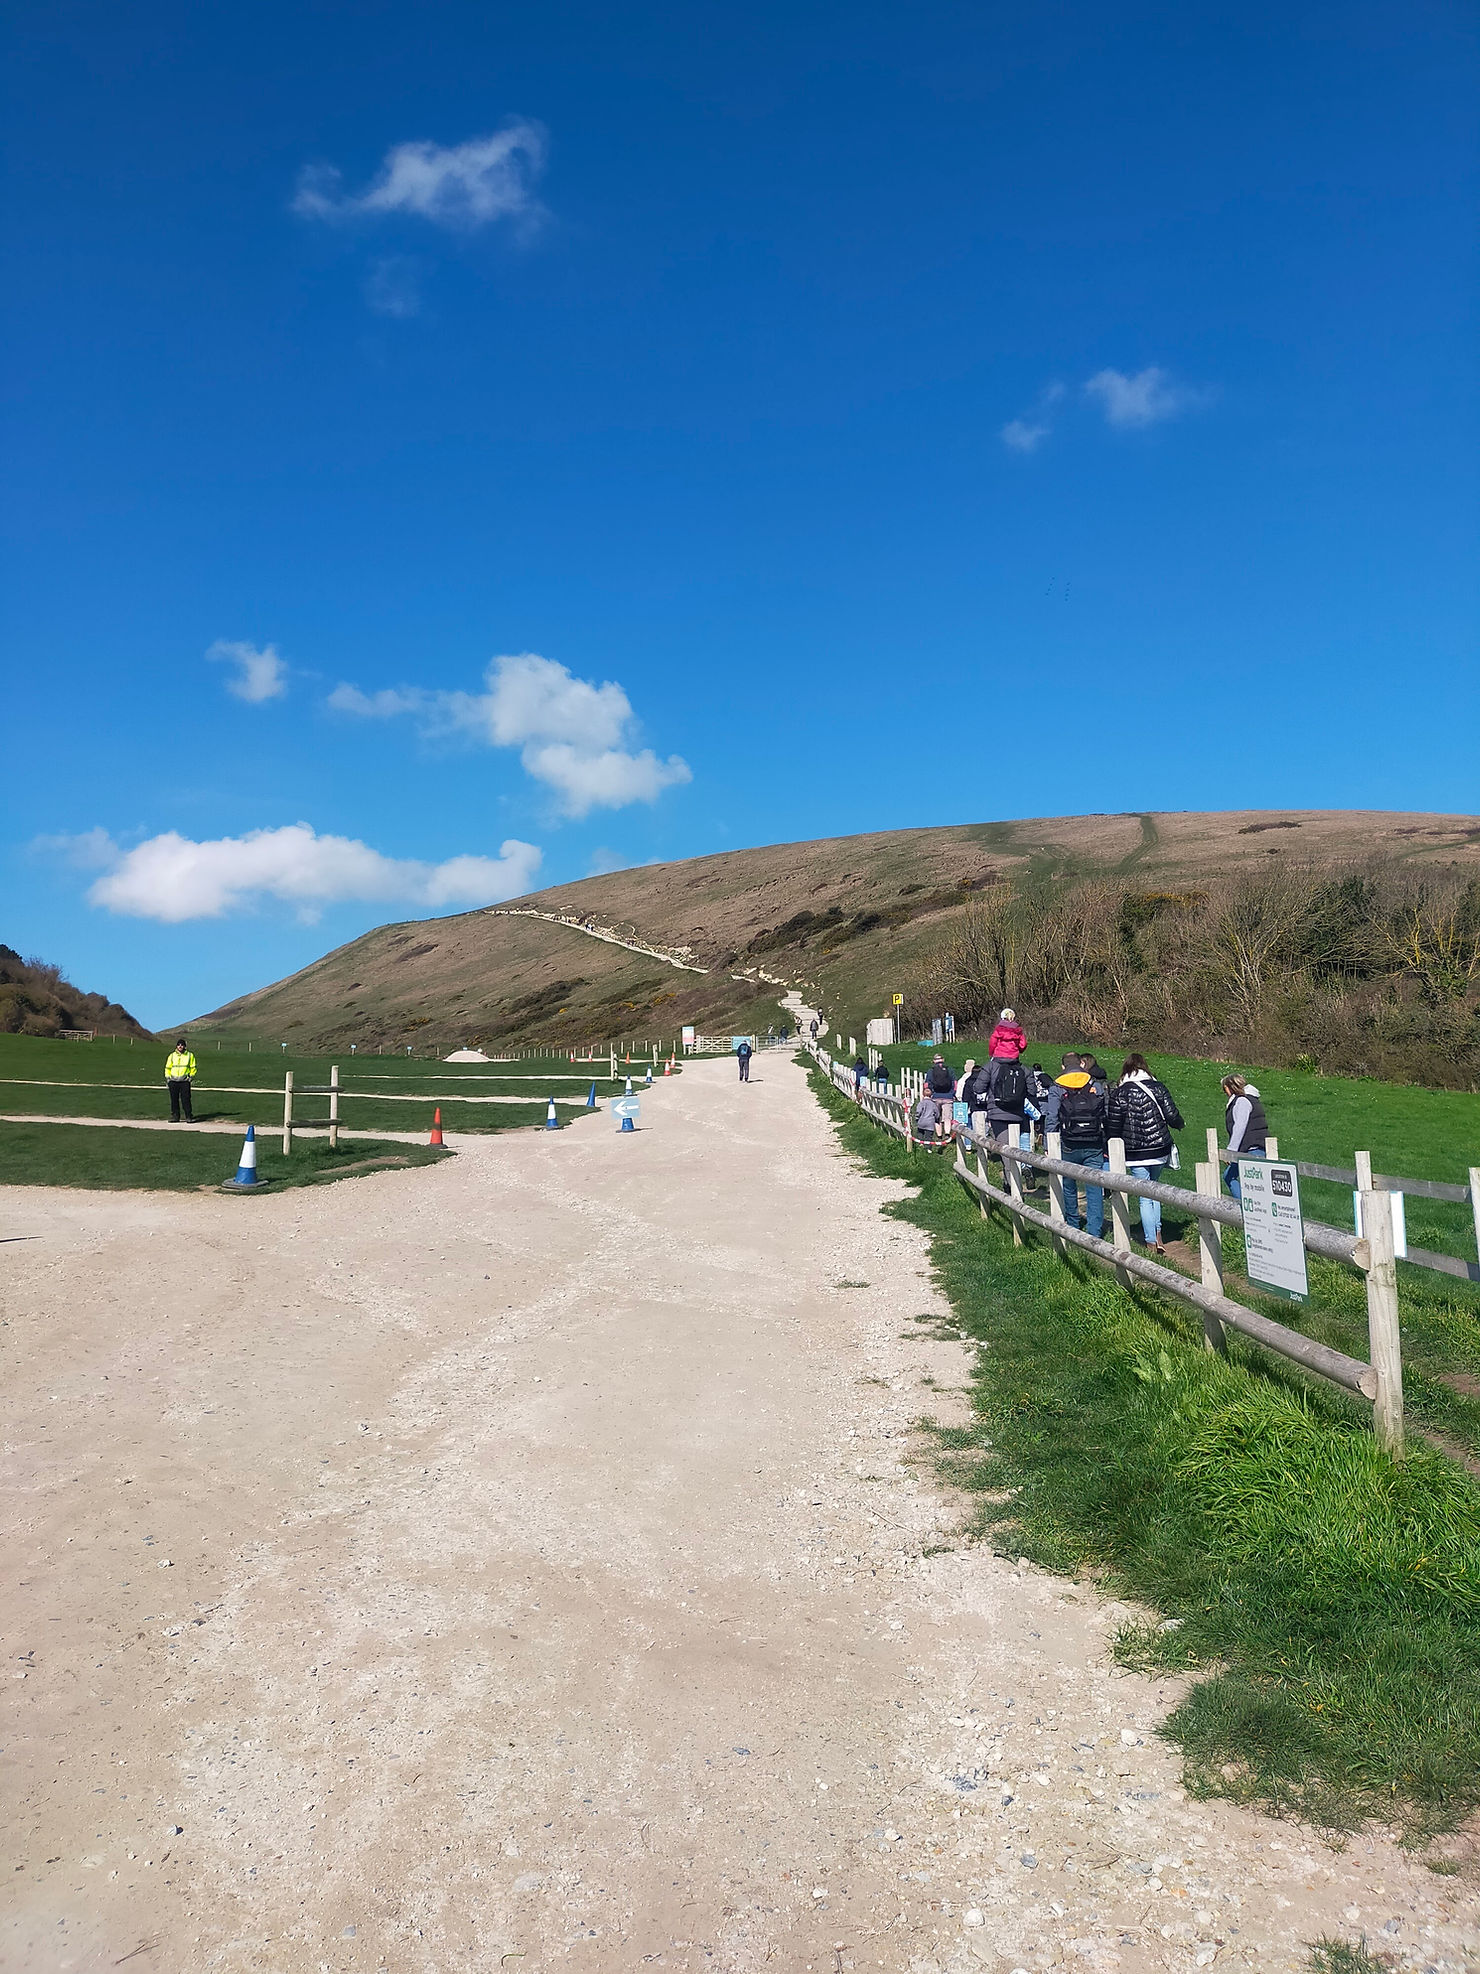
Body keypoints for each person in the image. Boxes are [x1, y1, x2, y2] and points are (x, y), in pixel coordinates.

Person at [1107, 1053, 1185, 1253]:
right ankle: (1158, 1235)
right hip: (1159, 1147)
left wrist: (1111, 1144)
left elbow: (1114, 1124)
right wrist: (1180, 1124)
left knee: (1144, 1196)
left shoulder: (1120, 1092)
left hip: (1135, 1150)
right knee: (1155, 1191)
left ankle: (1151, 1241)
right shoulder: (1158, 1087)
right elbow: (1171, 1114)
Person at [1041, 1053, 1106, 1237]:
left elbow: (1052, 1117)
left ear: (1063, 1067)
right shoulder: (1094, 1084)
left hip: (1068, 1143)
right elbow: (1104, 1112)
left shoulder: (1057, 1086)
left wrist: (1048, 1143)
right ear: (1081, 1064)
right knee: (1094, 1186)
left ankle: (1073, 1224)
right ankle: (1095, 1232)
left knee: (1068, 1185)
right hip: (1094, 1142)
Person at [1222, 1074, 1268, 1199]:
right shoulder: (1252, 1099)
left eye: (1224, 1089)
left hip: (1250, 1149)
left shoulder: (1242, 1101)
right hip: (1257, 1147)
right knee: (1254, 1186)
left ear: (1229, 1088)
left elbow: (1239, 1127)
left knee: (1230, 1176)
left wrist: (1231, 1151)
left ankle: (1247, 1208)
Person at [164, 1036, 198, 1123]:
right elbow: (167, 1068)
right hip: (173, 1081)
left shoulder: (190, 1055)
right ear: (176, 1046)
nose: (180, 1046)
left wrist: (190, 1077)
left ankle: (188, 1116)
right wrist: (168, 1078)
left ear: (185, 1046)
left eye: (182, 1045)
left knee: (186, 1099)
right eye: (178, 1045)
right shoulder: (171, 1056)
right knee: (174, 1099)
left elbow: (193, 1067)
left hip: (184, 1081)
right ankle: (175, 1116)